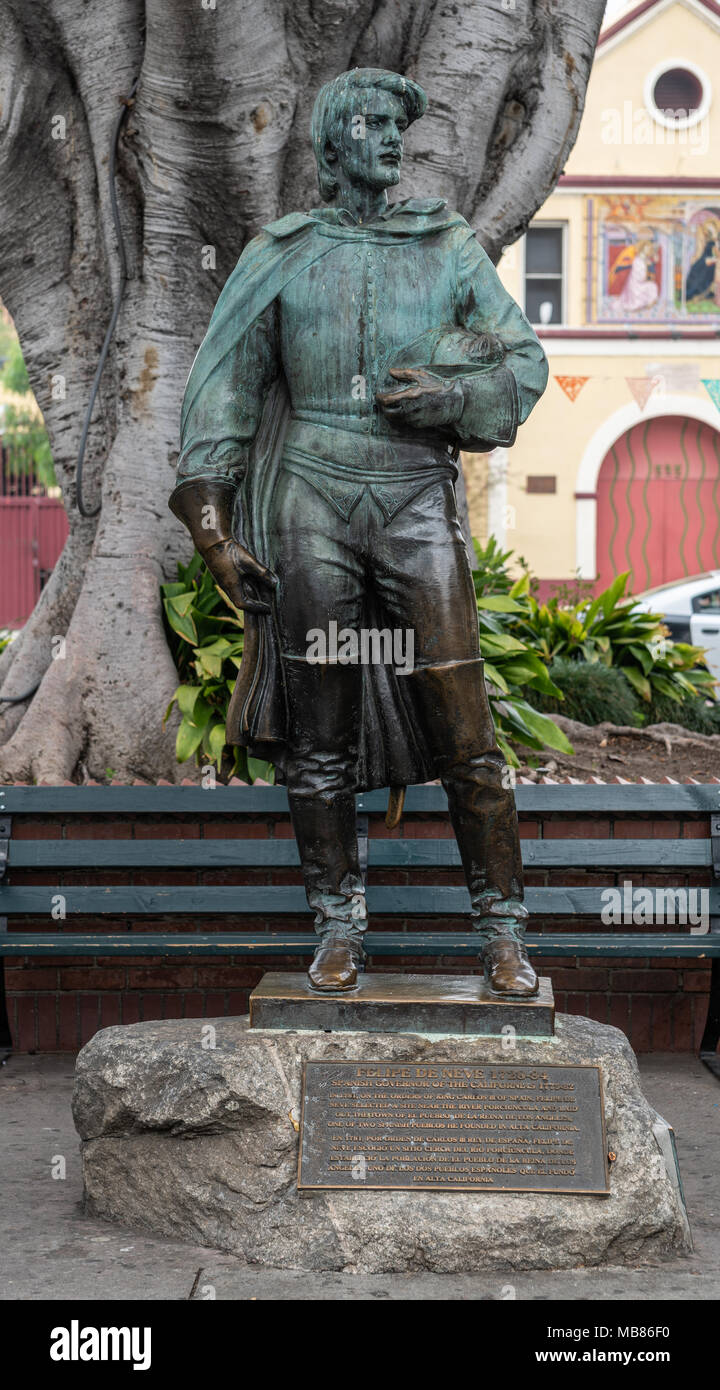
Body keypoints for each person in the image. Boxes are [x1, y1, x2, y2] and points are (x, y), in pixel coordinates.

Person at [169, 68, 549, 996]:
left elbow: (524, 359)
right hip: (311, 502)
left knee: (468, 733)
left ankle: (502, 932)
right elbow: (225, 387)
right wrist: (215, 531)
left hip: (416, 497)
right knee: (320, 735)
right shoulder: (285, 250)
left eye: (399, 128)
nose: (390, 140)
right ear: (332, 144)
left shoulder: (449, 245)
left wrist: (459, 395)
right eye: (372, 124)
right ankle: (338, 923)